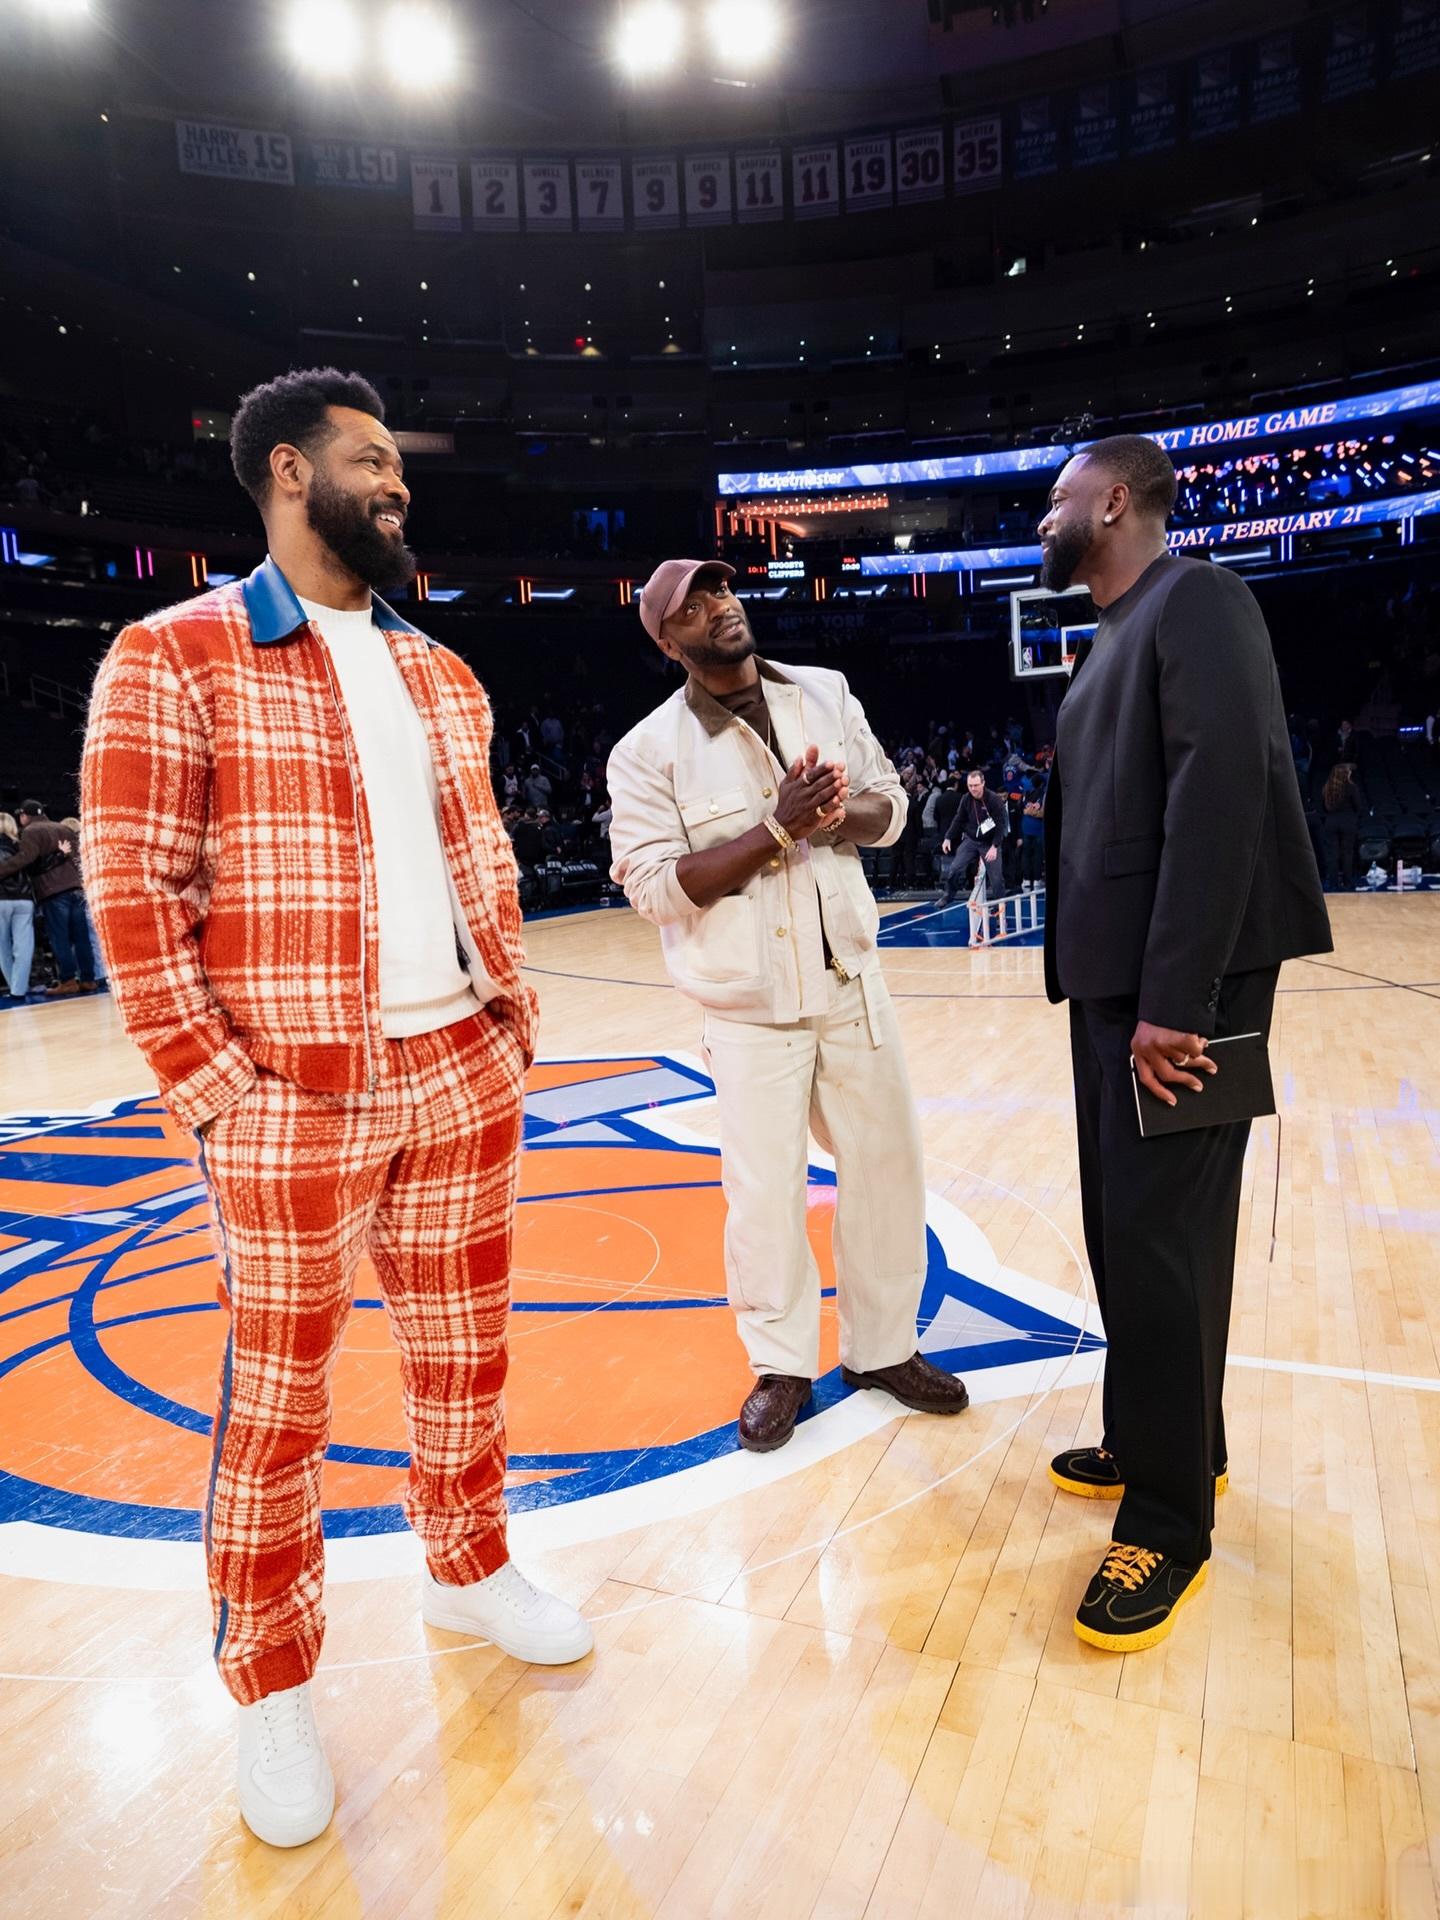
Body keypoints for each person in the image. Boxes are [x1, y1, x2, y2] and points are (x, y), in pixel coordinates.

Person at [82, 367, 590, 1852]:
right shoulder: (173, 655)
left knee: (466, 1358)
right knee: (279, 1405)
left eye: (399, 465)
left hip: (460, 1071)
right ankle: (273, 1681)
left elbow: (483, 863)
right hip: (293, 1096)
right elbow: (134, 892)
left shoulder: (444, 674)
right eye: (371, 460)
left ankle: (469, 1567)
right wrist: (219, 1093)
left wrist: (507, 1020)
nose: (399, 484)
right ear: (290, 473)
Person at [1036, 434, 1331, 1653]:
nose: (1043, 520)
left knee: (1164, 1242)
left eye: (1057, 499)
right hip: (1118, 988)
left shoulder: (1197, 598)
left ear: (1113, 500)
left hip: (1176, 991)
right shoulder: (1116, 629)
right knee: (1130, 1235)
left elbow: (1224, 793)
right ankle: (1167, 1440)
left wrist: (1179, 997)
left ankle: (1168, 1522)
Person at [607, 558, 969, 1454]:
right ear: (667, 642)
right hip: (748, 1007)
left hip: (849, 981)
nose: (719, 608)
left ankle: (884, 1350)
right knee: (765, 1196)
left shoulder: (824, 692)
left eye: (723, 591)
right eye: (693, 606)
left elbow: (891, 809)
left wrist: (834, 816)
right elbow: (654, 888)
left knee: (887, 1170)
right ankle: (781, 1368)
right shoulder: (647, 751)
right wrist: (775, 828)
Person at [0, 799, 97, 996]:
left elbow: (26, 860)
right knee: (81, 937)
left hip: (53, 891)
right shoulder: (64, 829)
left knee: (59, 938)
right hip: (76, 889)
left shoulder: (30, 832)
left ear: (25, 816)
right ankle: (88, 979)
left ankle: (68, 980)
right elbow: (77, 858)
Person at [939, 769, 1008, 910]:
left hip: (989, 843)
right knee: (954, 869)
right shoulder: (966, 799)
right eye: (970, 786)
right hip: (971, 840)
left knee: (996, 879)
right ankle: (948, 895)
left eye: (976, 785)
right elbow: (958, 819)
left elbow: (1001, 826)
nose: (973, 789)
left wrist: (995, 846)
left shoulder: (994, 800)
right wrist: (948, 837)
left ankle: (999, 909)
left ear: (983, 783)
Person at [0, 810, 37, 1003]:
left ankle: (15, 988)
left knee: (2, 948)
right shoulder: (22, 845)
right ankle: (19, 989)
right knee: (24, 946)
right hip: (23, 899)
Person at [1320, 762, 1365, 891]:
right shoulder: (1351, 787)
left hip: (1331, 822)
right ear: (1345, 774)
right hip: (1348, 822)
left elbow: (1323, 807)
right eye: (1349, 771)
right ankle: (1347, 883)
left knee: (1332, 853)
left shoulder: (1327, 788)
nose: (1350, 773)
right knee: (1347, 852)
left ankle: (1333, 883)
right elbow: (1358, 806)